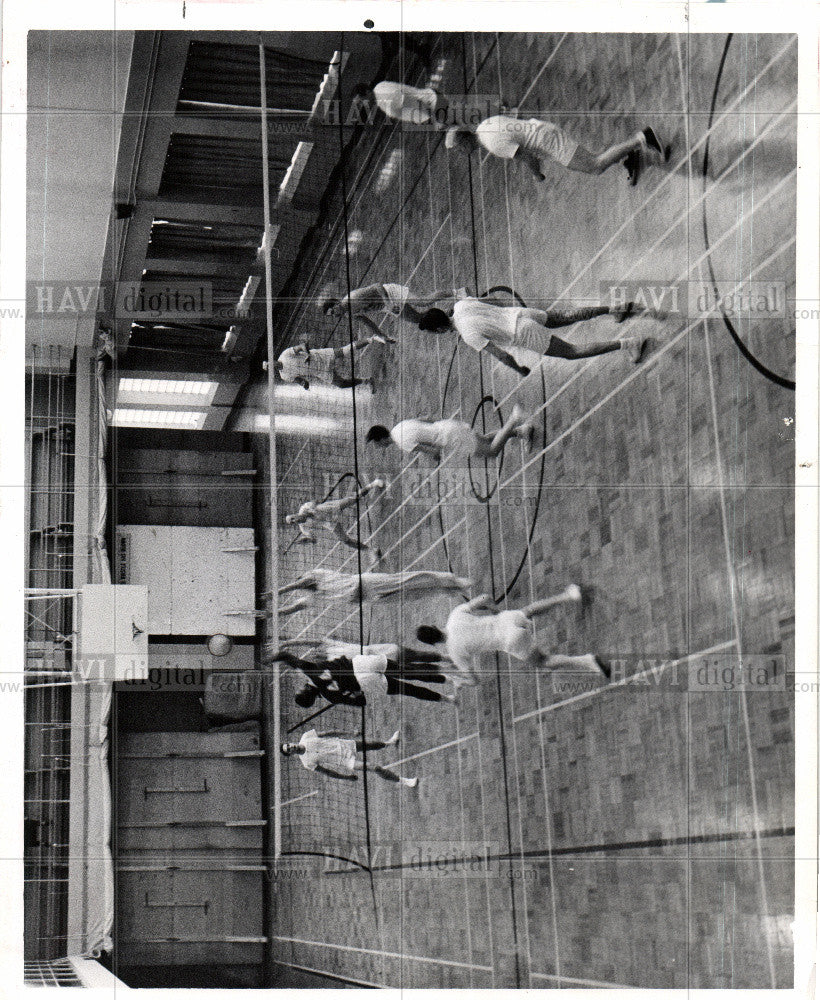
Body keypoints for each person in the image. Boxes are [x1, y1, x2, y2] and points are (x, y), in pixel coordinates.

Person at [416, 586, 610, 686]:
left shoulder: (454, 652)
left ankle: (588, 661)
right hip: (505, 620)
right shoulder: (455, 615)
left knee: (543, 661)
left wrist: (461, 681)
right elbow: (484, 598)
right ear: (434, 626)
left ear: (434, 644)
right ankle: (569, 596)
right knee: (529, 610)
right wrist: (495, 610)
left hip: (510, 641)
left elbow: (475, 680)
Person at [417, 294, 647, 373]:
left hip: (523, 332)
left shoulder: (468, 336)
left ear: (439, 329)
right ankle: (615, 309)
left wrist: (519, 369)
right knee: (566, 316)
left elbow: (502, 356)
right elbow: (494, 300)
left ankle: (628, 343)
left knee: (571, 352)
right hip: (521, 314)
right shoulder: (461, 305)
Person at [446, 117, 667, 187]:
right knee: (593, 163)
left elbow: (527, 157)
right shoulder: (485, 125)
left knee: (595, 166)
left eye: (457, 149)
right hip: (542, 132)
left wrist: (537, 175)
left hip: (548, 142)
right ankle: (628, 158)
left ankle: (642, 139)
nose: (460, 153)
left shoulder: (492, 143)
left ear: (464, 142)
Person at [366, 404, 535, 464]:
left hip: (450, 438)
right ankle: (522, 432)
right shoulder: (399, 426)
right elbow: (427, 418)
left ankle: (514, 418)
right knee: (484, 439)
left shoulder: (402, 443)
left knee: (491, 451)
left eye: (376, 444)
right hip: (446, 426)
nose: (378, 447)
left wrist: (436, 458)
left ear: (381, 439)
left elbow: (434, 452)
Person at [276, 567, 472, 617]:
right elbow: (293, 608)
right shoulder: (313, 596)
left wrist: (279, 591)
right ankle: (447, 590)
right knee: (410, 595)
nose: (303, 584)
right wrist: (272, 614)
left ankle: (450, 579)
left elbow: (302, 583)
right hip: (369, 597)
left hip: (367, 583)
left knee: (408, 580)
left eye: (301, 582)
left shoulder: (316, 575)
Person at [286, 478, 386, 561]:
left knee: (355, 498)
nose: (296, 521)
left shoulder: (304, 508)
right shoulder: (304, 528)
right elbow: (314, 539)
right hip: (330, 523)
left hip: (331, 508)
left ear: (295, 515)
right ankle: (371, 550)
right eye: (294, 522)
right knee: (346, 541)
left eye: (294, 518)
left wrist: (311, 509)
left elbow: (315, 502)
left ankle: (374, 483)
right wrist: (307, 540)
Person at [281, 727, 418, 787]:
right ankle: (404, 781)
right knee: (375, 768)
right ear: (291, 754)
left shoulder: (306, 737)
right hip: (345, 761)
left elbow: (329, 732)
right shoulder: (307, 763)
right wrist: (346, 777)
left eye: (289, 745)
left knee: (372, 745)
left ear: (291, 743)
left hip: (345, 745)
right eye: (289, 750)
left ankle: (390, 743)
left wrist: (350, 732)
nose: (291, 747)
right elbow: (328, 772)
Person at [275, 334, 387, 390]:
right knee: (341, 384)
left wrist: (307, 354)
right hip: (320, 372)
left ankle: (372, 339)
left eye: (271, 364)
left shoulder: (285, 355)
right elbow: (298, 380)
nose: (273, 366)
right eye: (270, 368)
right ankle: (368, 381)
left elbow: (302, 346)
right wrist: (304, 384)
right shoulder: (284, 376)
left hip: (321, 357)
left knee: (346, 350)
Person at [319, 283, 463, 326]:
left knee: (422, 301)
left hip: (390, 294)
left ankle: (457, 292)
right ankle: (447, 315)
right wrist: (380, 336)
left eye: (334, 311)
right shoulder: (348, 314)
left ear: (337, 303)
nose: (336, 315)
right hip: (387, 307)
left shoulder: (353, 297)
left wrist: (388, 304)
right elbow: (367, 322)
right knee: (418, 319)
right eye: (333, 315)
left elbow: (377, 286)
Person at [353, 81, 448, 128]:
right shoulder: (379, 88)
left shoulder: (385, 97)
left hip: (436, 106)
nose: (363, 105)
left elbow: (414, 101)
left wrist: (436, 120)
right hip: (434, 106)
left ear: (367, 92)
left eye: (362, 101)